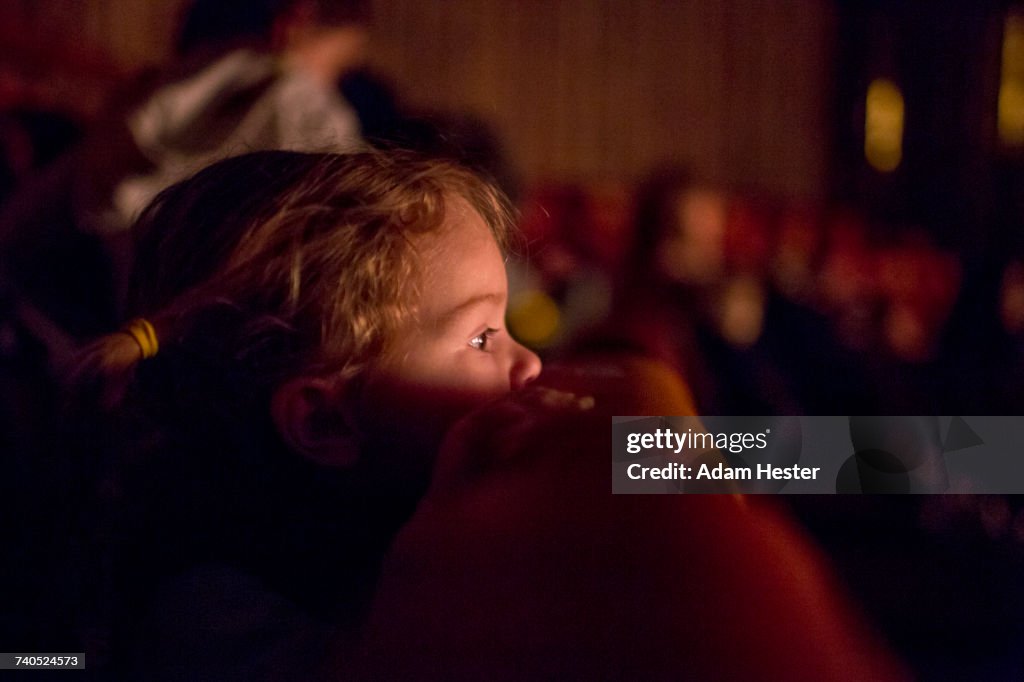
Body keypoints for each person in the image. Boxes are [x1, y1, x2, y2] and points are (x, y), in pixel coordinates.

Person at [70, 149, 540, 679]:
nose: (531, 364)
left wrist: (644, 442)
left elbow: (637, 466)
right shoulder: (215, 618)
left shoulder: (403, 499)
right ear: (326, 422)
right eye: (482, 337)